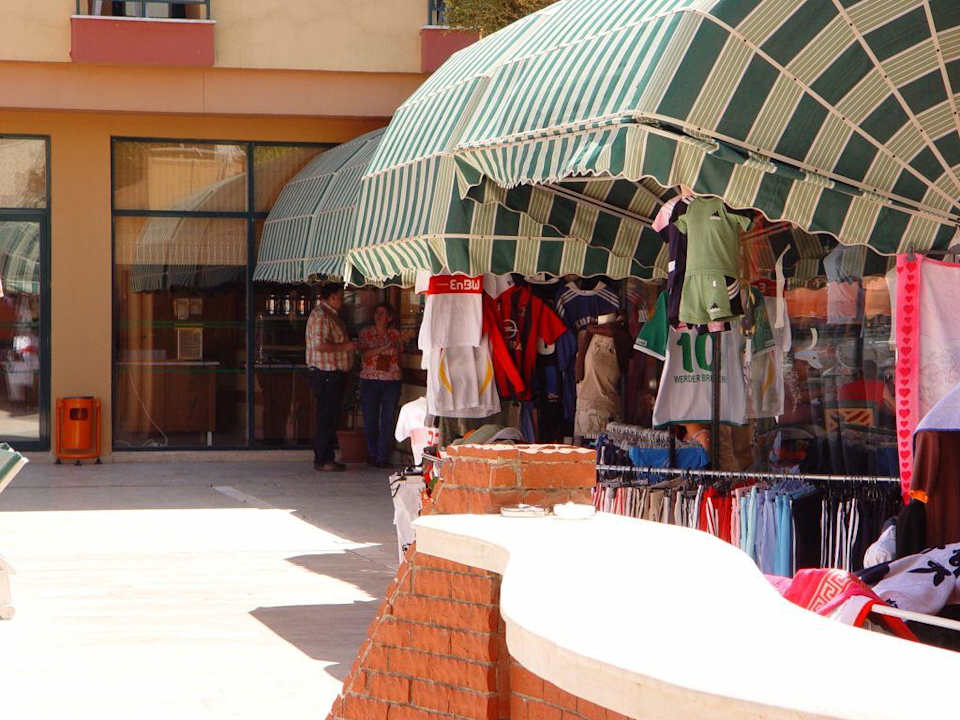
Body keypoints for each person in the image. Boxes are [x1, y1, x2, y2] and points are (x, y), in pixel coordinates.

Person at [305, 283, 355, 472]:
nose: (342, 300)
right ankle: (323, 458)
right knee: (326, 416)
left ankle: (327, 456)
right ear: (332, 297)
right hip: (326, 373)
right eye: (340, 297)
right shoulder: (321, 315)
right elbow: (319, 345)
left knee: (330, 416)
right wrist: (346, 347)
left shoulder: (331, 315)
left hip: (334, 372)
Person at [358, 303, 413, 467]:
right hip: (370, 379)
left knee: (388, 419)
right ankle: (373, 454)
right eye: (376, 312)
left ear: (389, 318)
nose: (378, 316)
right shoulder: (366, 333)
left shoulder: (395, 334)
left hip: (391, 381)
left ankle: (382, 457)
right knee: (370, 419)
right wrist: (383, 347)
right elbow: (363, 354)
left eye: (382, 313)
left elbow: (402, 348)